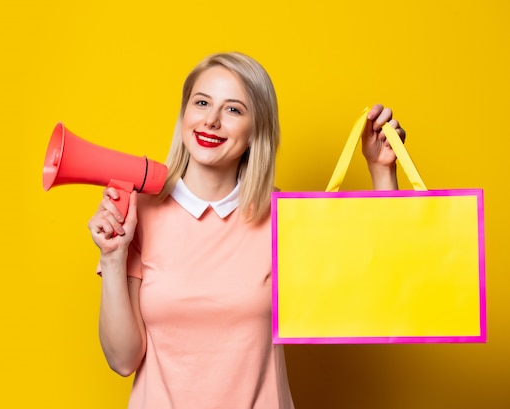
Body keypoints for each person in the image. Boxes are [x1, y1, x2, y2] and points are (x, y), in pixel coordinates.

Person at [88, 52, 405, 409]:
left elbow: (375, 279)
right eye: (202, 102)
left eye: (233, 110)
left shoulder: (282, 215)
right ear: (183, 114)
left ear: (257, 130)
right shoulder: (139, 212)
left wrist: (382, 172)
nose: (211, 121)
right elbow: (123, 360)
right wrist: (113, 257)